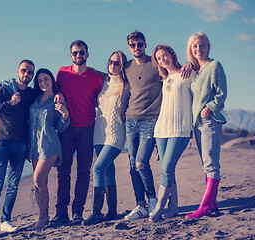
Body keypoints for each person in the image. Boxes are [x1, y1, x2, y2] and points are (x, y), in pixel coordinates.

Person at [50, 40, 104, 226]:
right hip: (65, 129)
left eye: (82, 52)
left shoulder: (97, 78)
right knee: (62, 171)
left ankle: (78, 211)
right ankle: (61, 212)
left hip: (87, 129)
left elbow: (104, 97)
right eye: (75, 53)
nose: (78, 56)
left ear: (87, 54)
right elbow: (53, 90)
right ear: (70, 55)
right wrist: (59, 94)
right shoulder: (62, 73)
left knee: (83, 172)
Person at [0, 60, 38, 239]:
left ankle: (5, 220)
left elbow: (46, 92)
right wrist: (9, 103)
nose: (27, 74)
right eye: (24, 70)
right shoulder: (4, 90)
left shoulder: (30, 93)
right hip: (2, 142)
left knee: (13, 186)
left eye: (30, 72)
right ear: (17, 71)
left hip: (21, 144)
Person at [149, 45, 195, 222]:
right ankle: (173, 207)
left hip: (180, 128)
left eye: (164, 56)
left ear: (172, 54)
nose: (163, 60)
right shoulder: (165, 79)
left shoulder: (188, 74)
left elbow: (198, 67)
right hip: (161, 129)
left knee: (167, 167)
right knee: (166, 169)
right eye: (159, 58)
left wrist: (190, 64)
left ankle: (159, 208)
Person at [82, 51, 129, 225]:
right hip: (99, 133)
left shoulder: (126, 85)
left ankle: (96, 212)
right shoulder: (103, 83)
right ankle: (112, 211)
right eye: (111, 62)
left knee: (98, 168)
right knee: (108, 170)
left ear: (123, 65)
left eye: (117, 63)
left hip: (116, 135)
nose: (113, 65)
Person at [185, 32, 227, 219]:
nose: (198, 49)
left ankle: (206, 206)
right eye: (195, 46)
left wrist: (209, 108)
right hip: (197, 123)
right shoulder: (196, 70)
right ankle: (213, 202)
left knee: (211, 164)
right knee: (206, 163)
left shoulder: (214, 66)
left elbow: (221, 93)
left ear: (208, 47)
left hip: (209, 121)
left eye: (202, 45)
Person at [123, 30, 161, 221]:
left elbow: (174, 69)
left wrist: (187, 64)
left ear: (145, 44)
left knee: (141, 163)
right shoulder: (126, 67)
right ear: (129, 48)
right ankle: (141, 206)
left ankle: (153, 199)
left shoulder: (155, 64)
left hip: (150, 120)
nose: (137, 48)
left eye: (140, 44)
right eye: (133, 45)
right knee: (132, 165)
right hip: (130, 121)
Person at [29, 68, 70, 229]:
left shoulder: (57, 100)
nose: (43, 83)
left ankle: (44, 216)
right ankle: (42, 216)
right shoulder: (35, 99)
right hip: (34, 145)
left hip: (49, 144)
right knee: (41, 182)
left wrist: (65, 114)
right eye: (39, 81)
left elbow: (61, 127)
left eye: (46, 79)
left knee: (37, 179)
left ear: (52, 80)